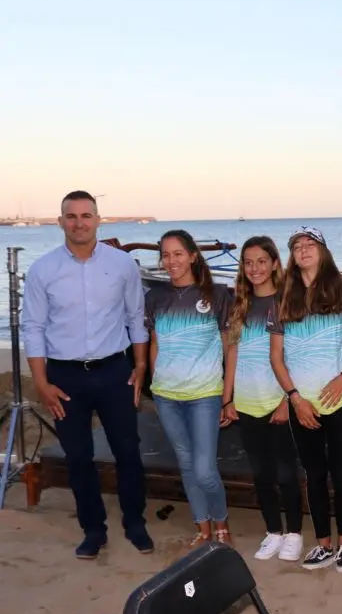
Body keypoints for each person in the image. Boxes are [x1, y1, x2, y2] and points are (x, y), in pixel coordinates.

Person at [21, 190, 152, 559]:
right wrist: (42, 382)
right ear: (61, 221)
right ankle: (93, 530)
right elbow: (33, 328)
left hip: (115, 371)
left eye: (86, 215)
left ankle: (135, 522)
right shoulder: (43, 270)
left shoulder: (123, 265)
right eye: (71, 216)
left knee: (128, 450)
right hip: (64, 378)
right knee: (78, 456)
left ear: (98, 219)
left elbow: (135, 317)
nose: (79, 222)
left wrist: (140, 366)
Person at [268, 226, 342, 572]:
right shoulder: (282, 298)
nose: (303, 250)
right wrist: (295, 398)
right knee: (313, 473)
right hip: (303, 404)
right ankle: (323, 544)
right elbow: (277, 357)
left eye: (310, 244)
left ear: (323, 251)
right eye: (297, 246)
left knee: (340, 472)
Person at [145, 229, 233, 546]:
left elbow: (229, 347)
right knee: (186, 465)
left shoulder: (218, 295)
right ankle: (203, 526)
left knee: (205, 469)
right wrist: (156, 382)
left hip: (204, 396)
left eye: (178, 253)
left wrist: (227, 396)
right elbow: (154, 344)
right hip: (166, 396)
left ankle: (222, 524)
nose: (172, 261)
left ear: (193, 256)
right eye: (166, 255)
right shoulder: (155, 297)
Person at [221, 236, 303, 563]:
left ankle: (294, 532)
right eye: (248, 262)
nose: (254, 268)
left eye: (261, 261)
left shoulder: (287, 303)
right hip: (247, 402)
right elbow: (232, 356)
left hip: (278, 400)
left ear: (273, 264)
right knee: (261, 473)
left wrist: (288, 400)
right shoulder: (238, 305)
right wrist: (227, 399)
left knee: (286, 471)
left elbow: (296, 356)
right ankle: (273, 531)